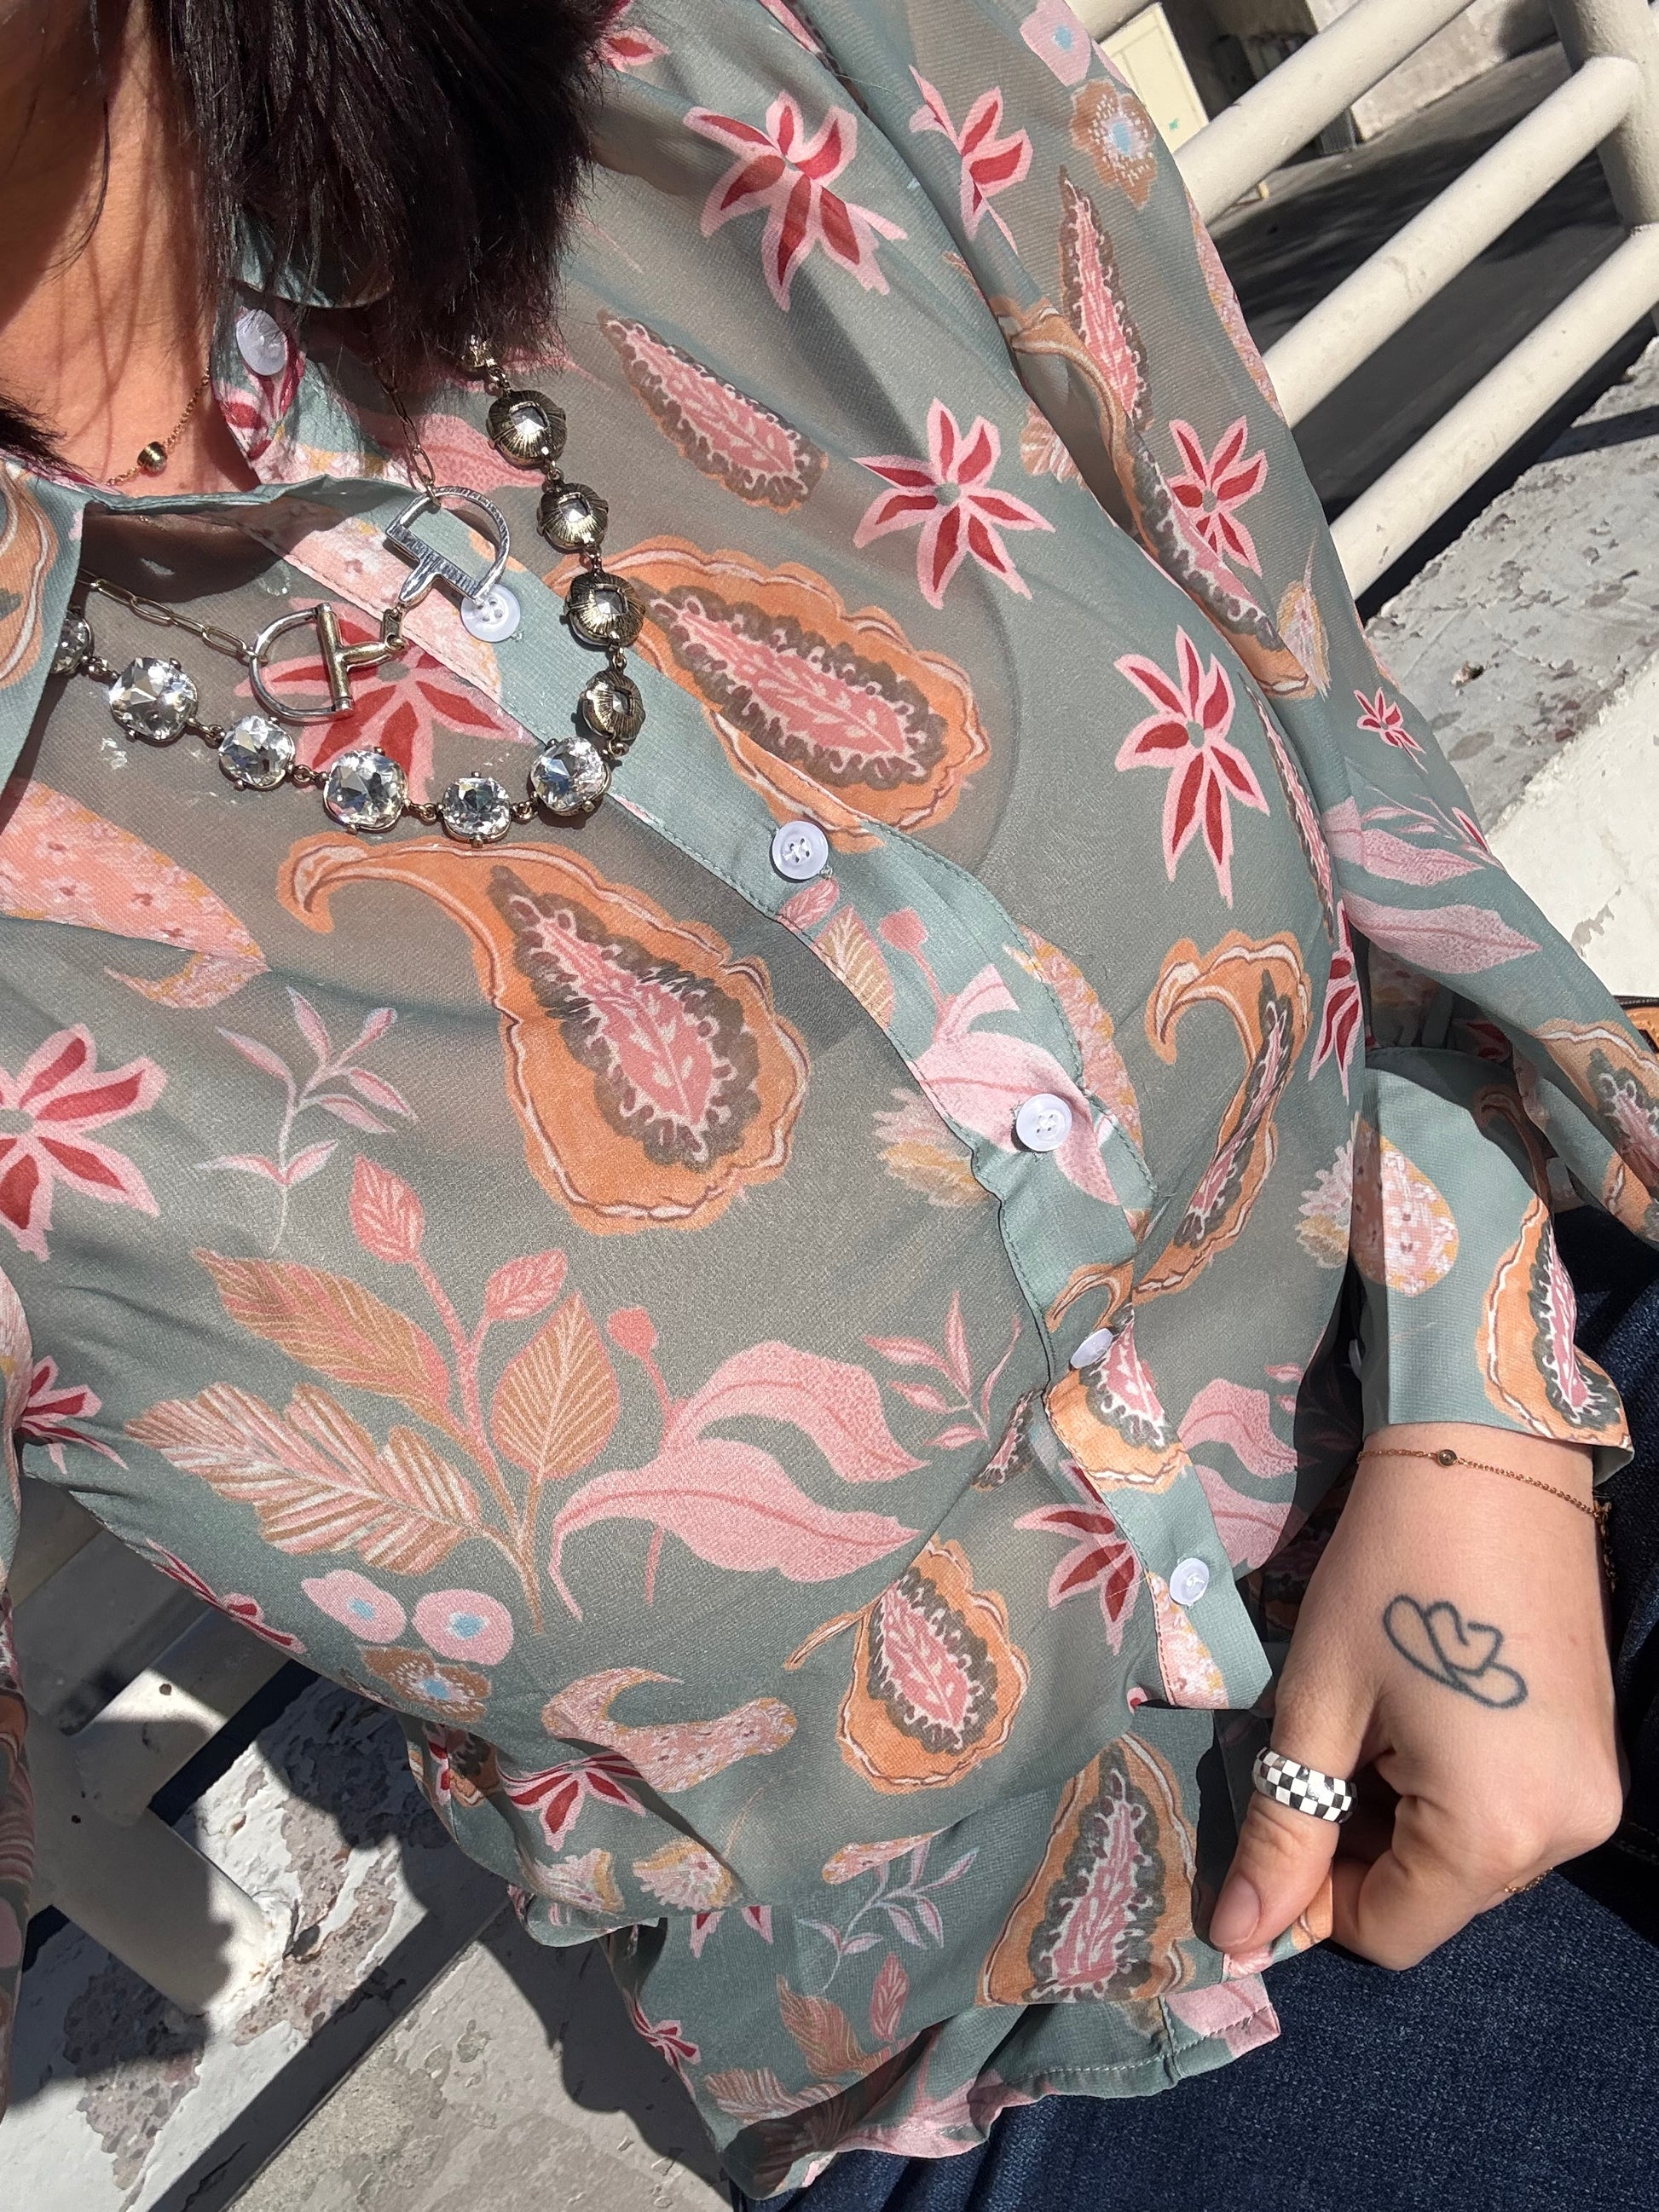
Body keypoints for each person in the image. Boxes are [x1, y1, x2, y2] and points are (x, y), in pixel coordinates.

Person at [0, 2, 1654, 2203]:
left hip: (1525, 1312)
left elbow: (1327, 743)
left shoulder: (726, 57)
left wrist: (1482, 1401)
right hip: (1092, 1996)